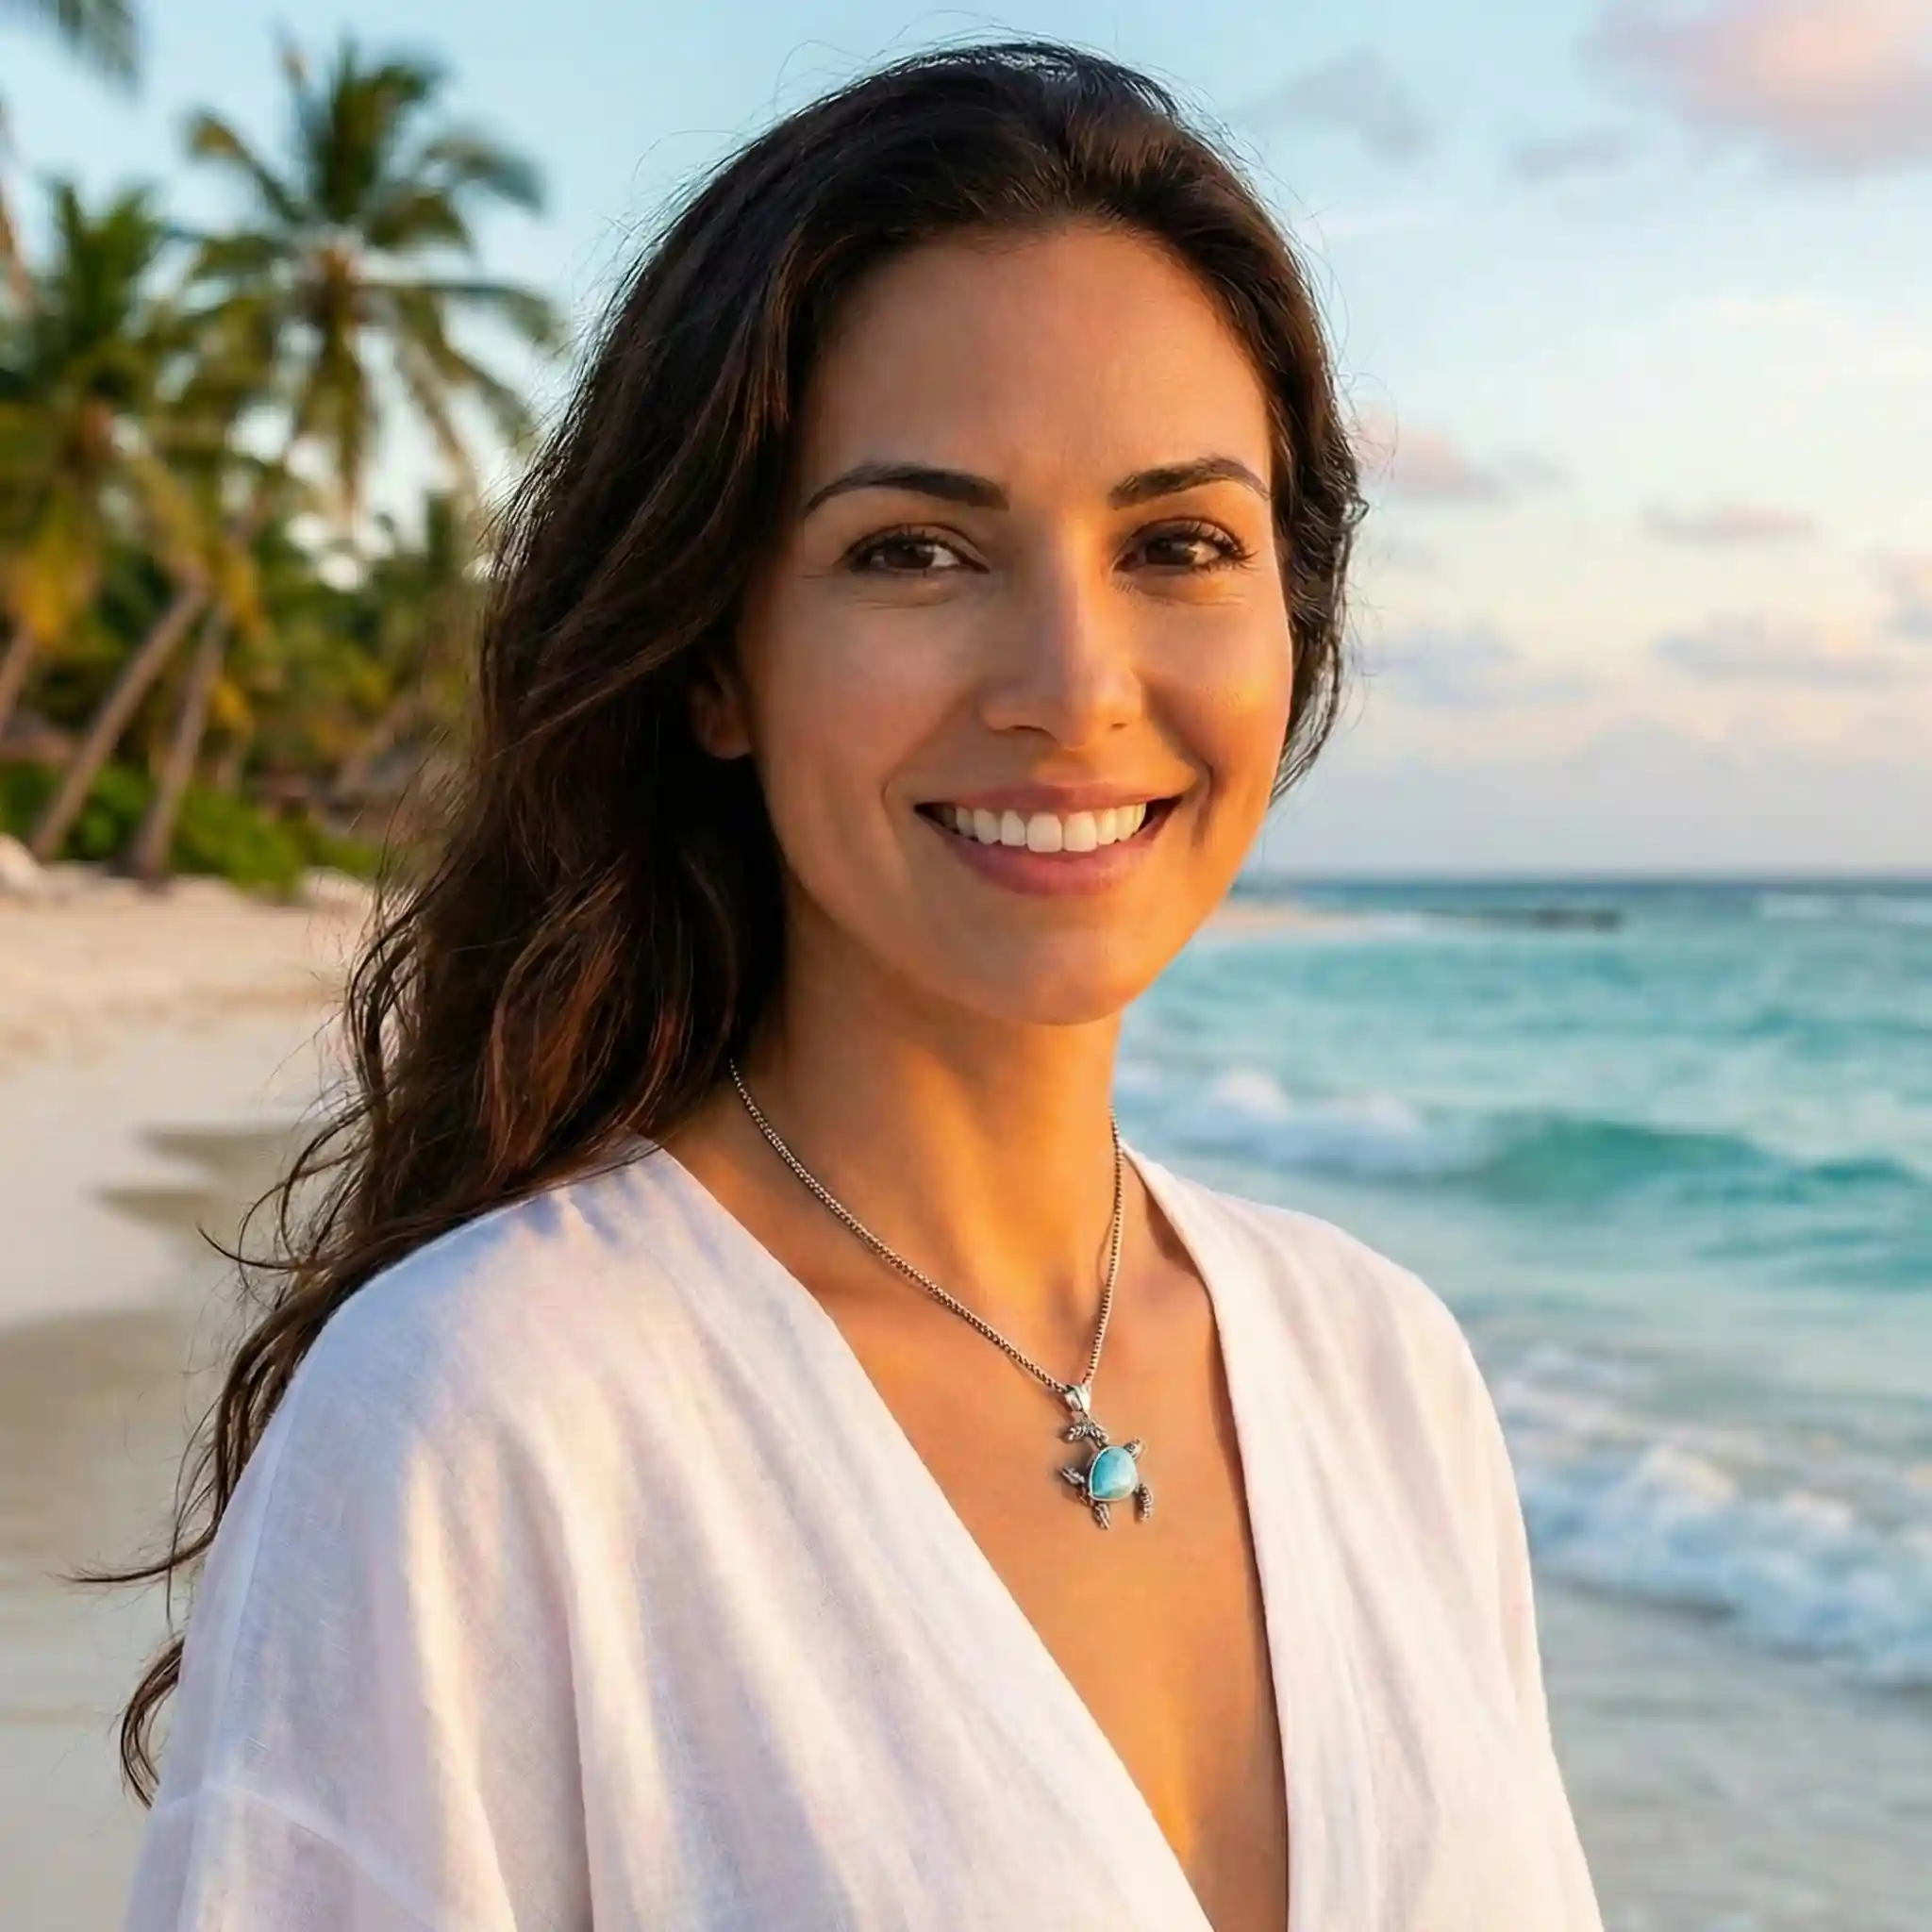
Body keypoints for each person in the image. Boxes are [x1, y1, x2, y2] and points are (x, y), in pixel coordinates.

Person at [118, 41, 1603, 1932]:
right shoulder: (489, 1417)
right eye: (914, 551)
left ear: (1288, 622)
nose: (1073, 684)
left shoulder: (1384, 1374)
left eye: (1177, 545)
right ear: (715, 659)